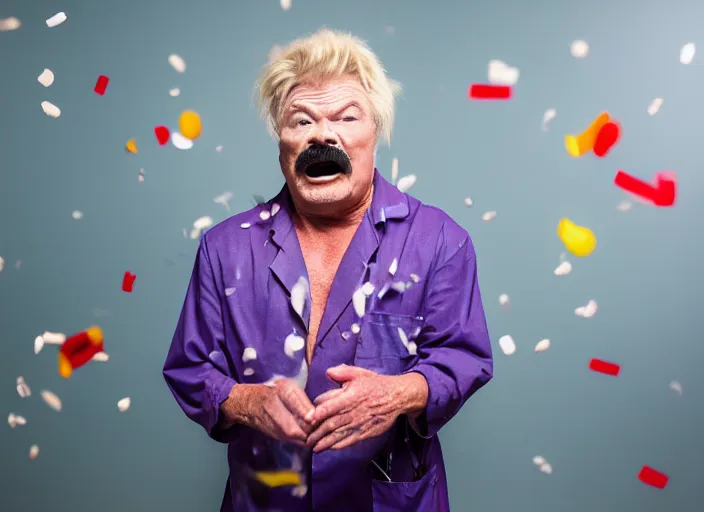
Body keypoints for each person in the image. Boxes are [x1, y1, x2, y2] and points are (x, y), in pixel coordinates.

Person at [163, 28, 493, 512]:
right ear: (281, 142)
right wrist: (246, 402)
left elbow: (464, 358)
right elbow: (190, 369)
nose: (323, 135)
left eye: (346, 116)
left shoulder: (441, 240)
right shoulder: (225, 247)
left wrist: (399, 393)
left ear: (375, 132)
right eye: (301, 121)